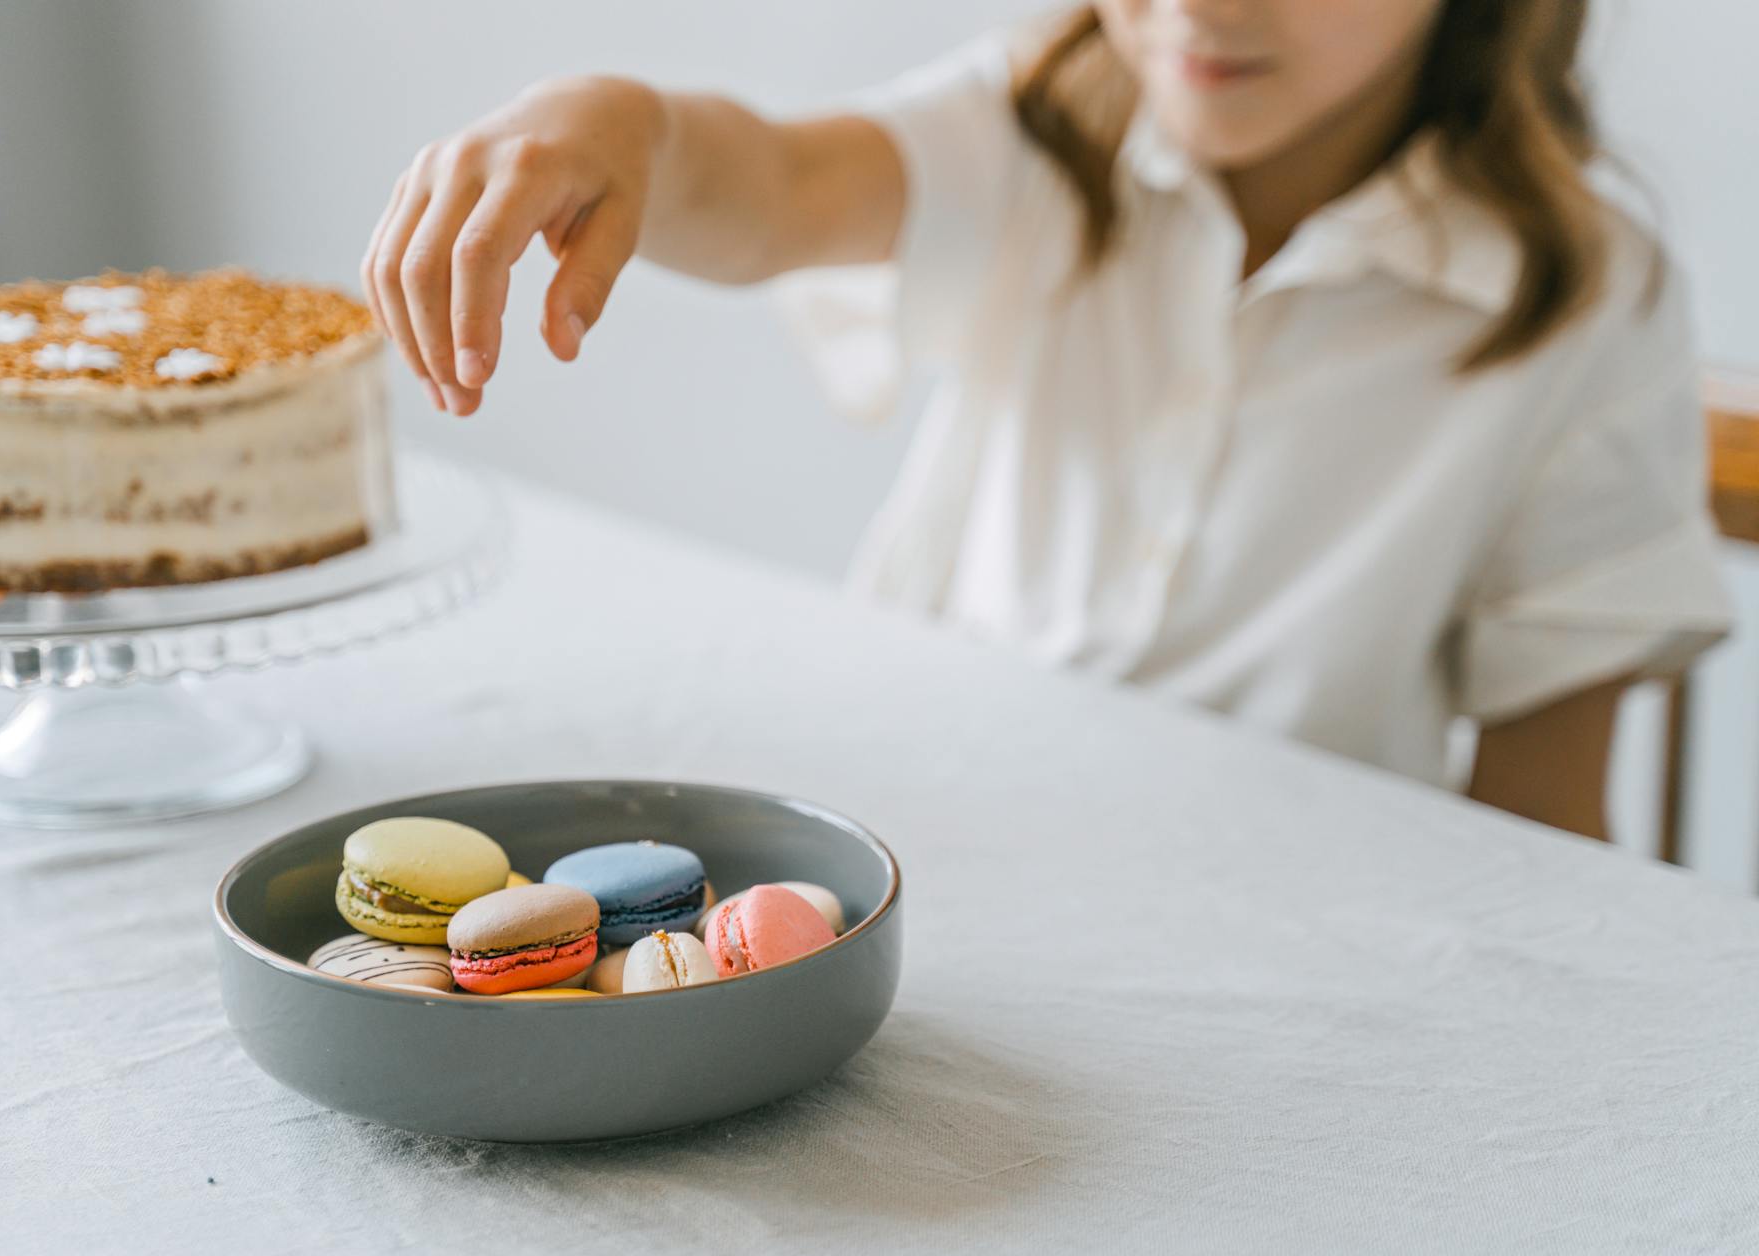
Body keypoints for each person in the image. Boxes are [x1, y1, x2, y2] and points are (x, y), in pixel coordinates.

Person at [362, 0, 1732, 840]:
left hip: (1299, 947)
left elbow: (1545, 811)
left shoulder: (1580, 296)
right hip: (936, 849)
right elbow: (772, 182)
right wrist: (616, 124)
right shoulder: (1038, 128)